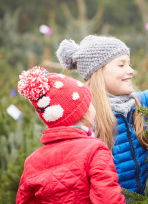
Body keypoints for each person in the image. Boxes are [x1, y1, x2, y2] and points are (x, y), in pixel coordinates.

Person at [55, 21, 148, 196]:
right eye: (121, 65)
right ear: (98, 72)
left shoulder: (137, 103)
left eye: (129, 64)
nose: (131, 70)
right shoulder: (85, 118)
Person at [16, 66, 125, 204]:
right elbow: (108, 198)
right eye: (90, 103)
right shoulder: (95, 149)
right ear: (84, 113)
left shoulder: (32, 161)